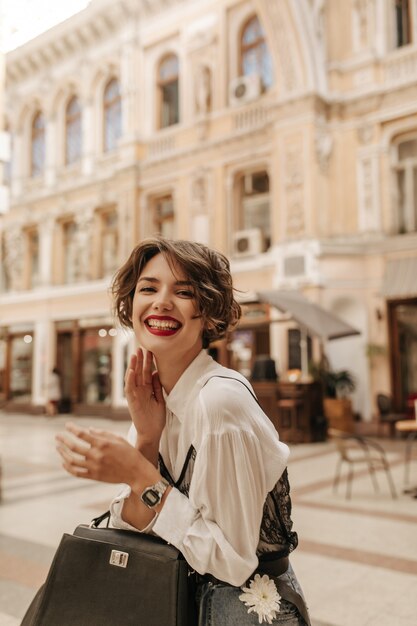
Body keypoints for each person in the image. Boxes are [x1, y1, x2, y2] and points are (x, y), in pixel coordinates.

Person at [56, 237, 310, 625]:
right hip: (178, 603)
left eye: (184, 291)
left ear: (208, 314)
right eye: (148, 288)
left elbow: (232, 562)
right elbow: (134, 525)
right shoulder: (160, 400)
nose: (161, 301)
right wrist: (146, 438)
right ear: (131, 305)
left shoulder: (220, 403)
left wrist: (138, 473)